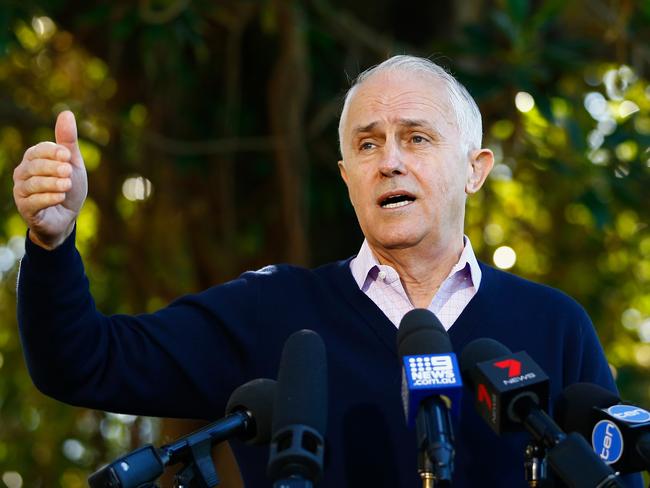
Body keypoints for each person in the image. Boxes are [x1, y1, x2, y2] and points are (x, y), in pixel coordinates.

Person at [13, 55, 641, 487]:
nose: (388, 161)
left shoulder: (554, 324)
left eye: (416, 138)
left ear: (475, 168)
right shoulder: (274, 310)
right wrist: (53, 241)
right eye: (367, 144)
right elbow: (82, 360)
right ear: (346, 179)